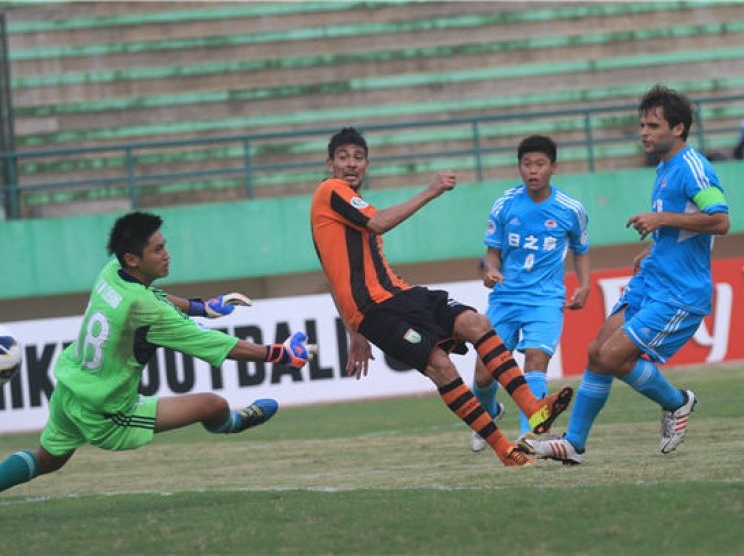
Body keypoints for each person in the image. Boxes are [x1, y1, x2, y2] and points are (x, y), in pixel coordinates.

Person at [0, 211, 315, 531]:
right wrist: (280, 353)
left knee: (47, 459)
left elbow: (154, 294)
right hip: (108, 410)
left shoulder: (111, 271)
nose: (167, 254)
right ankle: (234, 423)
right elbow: (218, 346)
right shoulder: (145, 310)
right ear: (133, 258)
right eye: (158, 249)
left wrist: (203, 307)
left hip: (69, 389)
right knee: (213, 405)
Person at [310, 127, 575, 467]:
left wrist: (352, 333)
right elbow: (377, 223)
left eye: (358, 158)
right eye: (343, 157)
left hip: (400, 294)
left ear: (367, 163)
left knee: (475, 322)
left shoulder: (344, 209)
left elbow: (334, 276)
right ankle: (502, 448)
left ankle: (533, 407)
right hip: (374, 311)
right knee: (441, 366)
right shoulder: (331, 191)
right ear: (329, 163)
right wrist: (430, 191)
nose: (351, 164)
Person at [524, 84, 730, 464]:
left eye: (653, 125)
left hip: (679, 293)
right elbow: (685, 230)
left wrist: (660, 219)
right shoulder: (667, 168)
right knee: (597, 353)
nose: (644, 133)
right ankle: (574, 444)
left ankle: (676, 402)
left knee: (614, 356)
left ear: (679, 128)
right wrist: (654, 247)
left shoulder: (694, 168)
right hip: (652, 281)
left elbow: (719, 220)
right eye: (642, 125)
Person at [470, 135, 591, 454]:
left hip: (545, 300)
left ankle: (529, 436)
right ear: (519, 167)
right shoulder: (505, 204)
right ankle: (489, 414)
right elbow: (492, 253)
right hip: (506, 299)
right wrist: (491, 270)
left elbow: (581, 249)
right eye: (527, 164)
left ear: (553, 167)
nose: (532, 170)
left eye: (539, 164)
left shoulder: (571, 209)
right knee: (484, 373)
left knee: (536, 360)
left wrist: (585, 284)